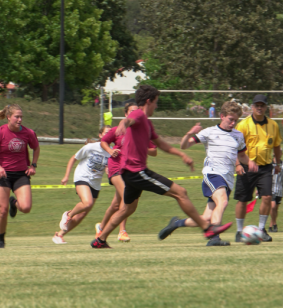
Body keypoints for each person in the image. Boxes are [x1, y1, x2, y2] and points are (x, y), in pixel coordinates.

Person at [91, 85, 232, 249]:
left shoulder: (148, 124)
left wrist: (182, 155)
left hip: (129, 173)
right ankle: (207, 228)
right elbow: (129, 119)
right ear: (149, 101)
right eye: (156, 102)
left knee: (127, 209)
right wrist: (123, 123)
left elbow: (161, 145)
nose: (157, 106)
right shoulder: (139, 115)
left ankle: (100, 240)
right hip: (137, 172)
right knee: (181, 193)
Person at [165, 101, 255, 246]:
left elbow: (242, 156)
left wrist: (250, 162)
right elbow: (184, 145)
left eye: (235, 120)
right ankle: (214, 239)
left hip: (228, 179)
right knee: (223, 201)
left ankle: (177, 223)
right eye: (230, 119)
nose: (233, 123)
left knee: (207, 218)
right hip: (212, 174)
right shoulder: (209, 132)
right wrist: (189, 133)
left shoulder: (238, 135)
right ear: (222, 116)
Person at [96, 102, 157, 243]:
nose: (134, 114)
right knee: (126, 196)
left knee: (116, 205)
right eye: (131, 111)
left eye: (137, 111)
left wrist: (141, 146)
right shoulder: (118, 129)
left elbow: (154, 151)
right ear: (125, 114)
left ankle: (101, 227)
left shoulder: (141, 132)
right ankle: (122, 231)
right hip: (116, 167)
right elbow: (103, 142)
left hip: (129, 169)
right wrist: (111, 151)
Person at [0, 104, 39, 248]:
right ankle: (1, 239)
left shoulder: (28, 133)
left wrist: (33, 165)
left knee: (26, 207)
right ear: (8, 117)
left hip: (21, 174)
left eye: (21, 117)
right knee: (2, 211)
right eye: (17, 116)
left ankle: (13, 202)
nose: (20, 119)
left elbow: (36, 148)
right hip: (2, 175)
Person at [233, 94, 282, 242]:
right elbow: (233, 146)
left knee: (267, 197)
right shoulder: (243, 125)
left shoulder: (273, 125)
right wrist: (237, 164)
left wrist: (278, 163)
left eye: (262, 105)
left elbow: (277, 146)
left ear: (266, 107)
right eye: (257, 105)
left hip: (265, 167)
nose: (259, 108)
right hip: (247, 167)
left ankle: (261, 230)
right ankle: (239, 231)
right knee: (243, 199)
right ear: (252, 107)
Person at [53, 126, 112, 244]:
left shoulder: (111, 151)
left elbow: (107, 166)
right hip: (82, 177)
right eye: (106, 133)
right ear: (100, 135)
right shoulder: (90, 147)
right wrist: (66, 176)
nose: (108, 135)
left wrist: (109, 172)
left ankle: (59, 235)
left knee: (82, 214)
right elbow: (73, 158)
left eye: (111, 133)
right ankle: (69, 214)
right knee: (87, 203)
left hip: (95, 184)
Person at [269, 156, 283, 232]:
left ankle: (271, 226)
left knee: (275, 209)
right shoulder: (269, 164)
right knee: (273, 207)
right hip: (270, 189)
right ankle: (274, 224)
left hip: (279, 190)